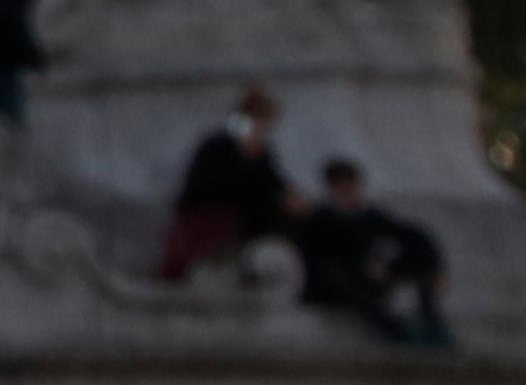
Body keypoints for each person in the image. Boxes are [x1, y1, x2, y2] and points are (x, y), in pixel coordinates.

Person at [292, 158, 451, 347]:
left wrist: (434, 268)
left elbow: (414, 237)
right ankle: (392, 327)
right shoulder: (320, 220)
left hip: (367, 280)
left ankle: (430, 320)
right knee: (336, 274)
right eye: (342, 188)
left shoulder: (371, 216)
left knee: (419, 261)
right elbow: (320, 260)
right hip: (334, 284)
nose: (349, 193)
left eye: (351, 186)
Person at [160, 89, 296, 281]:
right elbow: (208, 188)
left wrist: (289, 197)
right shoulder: (218, 147)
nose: (262, 129)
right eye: (259, 121)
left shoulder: (262, 154)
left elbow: (274, 183)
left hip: (244, 224)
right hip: (210, 223)